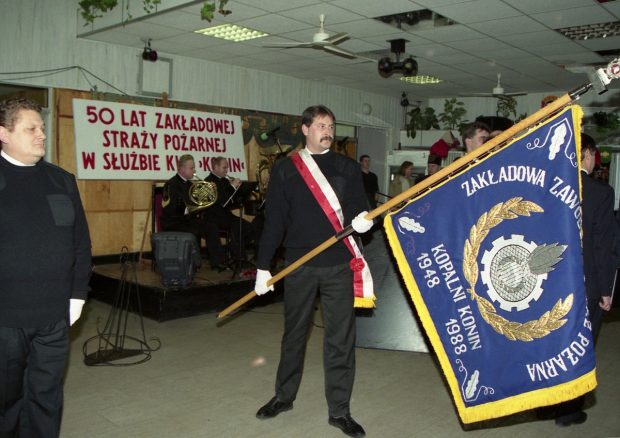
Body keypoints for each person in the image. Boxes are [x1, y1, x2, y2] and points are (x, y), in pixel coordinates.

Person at [253, 105, 374, 438]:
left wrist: (363, 220)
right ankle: (283, 396)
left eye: (331, 125)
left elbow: (357, 208)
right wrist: (263, 266)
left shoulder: (347, 167)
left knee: (340, 340)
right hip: (299, 265)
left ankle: (340, 411)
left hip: (338, 264)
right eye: (321, 125)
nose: (328, 130)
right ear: (304, 129)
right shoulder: (286, 170)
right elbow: (274, 220)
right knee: (294, 335)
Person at [0, 98, 92, 437]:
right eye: (31, 129)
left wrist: (78, 296)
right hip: (5, 319)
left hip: (54, 316)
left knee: (46, 397)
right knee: (6, 402)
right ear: (3, 134)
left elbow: (81, 242)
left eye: (42, 127)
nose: (41, 135)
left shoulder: (61, 181)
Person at [553, 133, 616, 427]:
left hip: (551, 283)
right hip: (586, 284)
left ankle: (546, 402)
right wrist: (606, 290)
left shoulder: (547, 186)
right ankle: (568, 410)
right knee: (580, 347)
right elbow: (604, 246)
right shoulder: (600, 193)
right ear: (588, 153)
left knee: (552, 345)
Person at [160, 154, 227, 270]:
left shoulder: (191, 185)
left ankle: (217, 263)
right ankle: (193, 264)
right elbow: (169, 209)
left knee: (211, 227)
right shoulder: (170, 184)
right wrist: (188, 210)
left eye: (194, 168)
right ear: (181, 168)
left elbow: (200, 203)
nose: (194, 170)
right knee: (193, 231)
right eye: (191, 168)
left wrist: (211, 192)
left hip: (187, 220)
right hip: (174, 222)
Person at [205, 156, 256, 261]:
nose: (226, 170)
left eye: (227, 168)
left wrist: (240, 191)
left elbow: (230, 202)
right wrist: (232, 187)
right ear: (215, 167)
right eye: (224, 168)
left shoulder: (224, 181)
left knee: (250, 228)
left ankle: (230, 250)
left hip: (226, 216)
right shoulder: (208, 182)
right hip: (214, 217)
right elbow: (221, 202)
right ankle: (239, 258)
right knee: (237, 227)